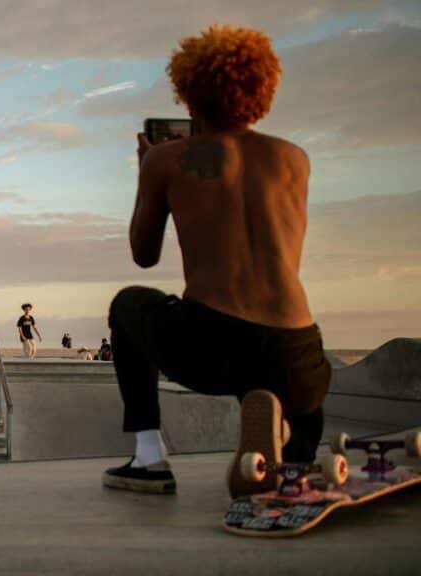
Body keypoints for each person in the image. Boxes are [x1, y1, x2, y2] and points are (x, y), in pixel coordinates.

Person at [101, 25, 331, 498]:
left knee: (128, 304)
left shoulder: (168, 159)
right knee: (289, 364)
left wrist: (147, 172)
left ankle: (148, 459)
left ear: (189, 92)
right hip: (299, 355)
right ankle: (294, 447)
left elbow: (144, 257)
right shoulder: (294, 158)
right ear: (261, 89)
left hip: (214, 346)